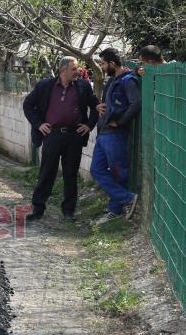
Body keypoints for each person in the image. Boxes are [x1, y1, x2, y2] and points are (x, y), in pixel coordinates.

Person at [22, 56, 100, 221]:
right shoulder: (45, 85)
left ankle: (68, 212)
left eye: (77, 68)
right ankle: (38, 209)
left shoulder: (83, 86)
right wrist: (38, 124)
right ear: (63, 70)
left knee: (71, 174)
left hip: (74, 136)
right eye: (74, 69)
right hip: (52, 135)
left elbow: (95, 106)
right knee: (46, 172)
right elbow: (28, 105)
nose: (78, 71)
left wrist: (89, 125)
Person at [91, 48, 141, 224]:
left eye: (103, 64)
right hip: (103, 133)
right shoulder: (112, 80)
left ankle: (115, 209)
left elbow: (135, 104)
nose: (102, 67)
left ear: (112, 63)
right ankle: (126, 198)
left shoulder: (128, 80)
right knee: (96, 170)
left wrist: (120, 122)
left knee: (119, 173)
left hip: (116, 134)